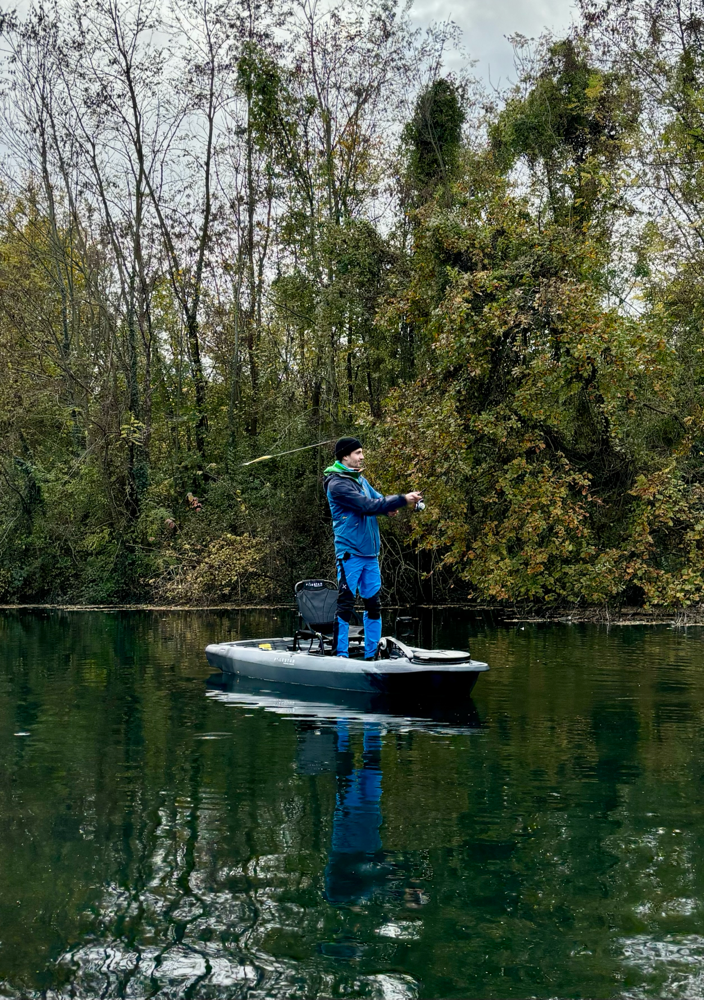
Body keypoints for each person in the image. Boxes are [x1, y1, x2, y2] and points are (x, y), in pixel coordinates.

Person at [323, 437, 422, 659]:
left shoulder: (360, 480)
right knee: (346, 603)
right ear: (345, 456)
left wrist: (388, 507)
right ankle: (340, 655)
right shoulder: (337, 484)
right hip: (350, 553)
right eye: (358, 452)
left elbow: (377, 500)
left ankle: (371, 655)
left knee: (373, 605)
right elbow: (367, 506)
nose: (362, 456)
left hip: (370, 554)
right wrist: (401, 499)